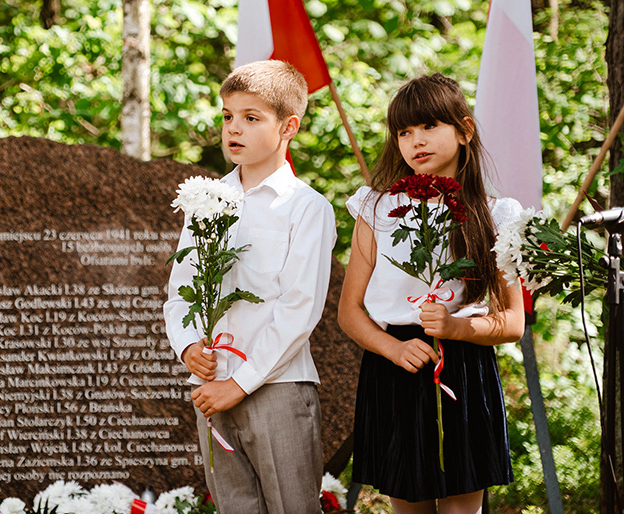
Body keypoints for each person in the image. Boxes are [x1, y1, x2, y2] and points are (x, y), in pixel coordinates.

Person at [338, 73, 525, 512]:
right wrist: (392, 348)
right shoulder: (376, 207)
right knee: (408, 506)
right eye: (404, 132)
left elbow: (513, 322)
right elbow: (349, 311)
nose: (415, 141)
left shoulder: (497, 215)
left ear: (464, 130)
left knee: (463, 507)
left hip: (463, 365)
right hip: (395, 367)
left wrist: (456, 327)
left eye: (429, 127)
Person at [163, 60, 336, 514]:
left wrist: (238, 384)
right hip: (211, 382)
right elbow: (181, 291)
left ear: (289, 127)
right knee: (234, 507)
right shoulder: (206, 200)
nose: (233, 128)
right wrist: (186, 347)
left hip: (277, 385)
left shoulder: (306, 208)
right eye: (227, 116)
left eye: (251, 117)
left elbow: (300, 309)